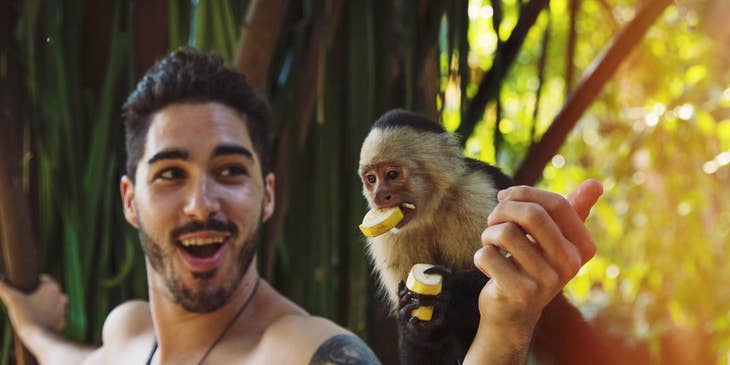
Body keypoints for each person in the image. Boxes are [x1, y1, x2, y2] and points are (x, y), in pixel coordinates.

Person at [0, 48, 603, 365]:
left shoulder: (310, 353)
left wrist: (505, 328)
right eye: (169, 174)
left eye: (230, 171)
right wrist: (30, 325)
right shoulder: (128, 335)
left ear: (267, 196)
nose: (200, 202)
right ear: (129, 202)